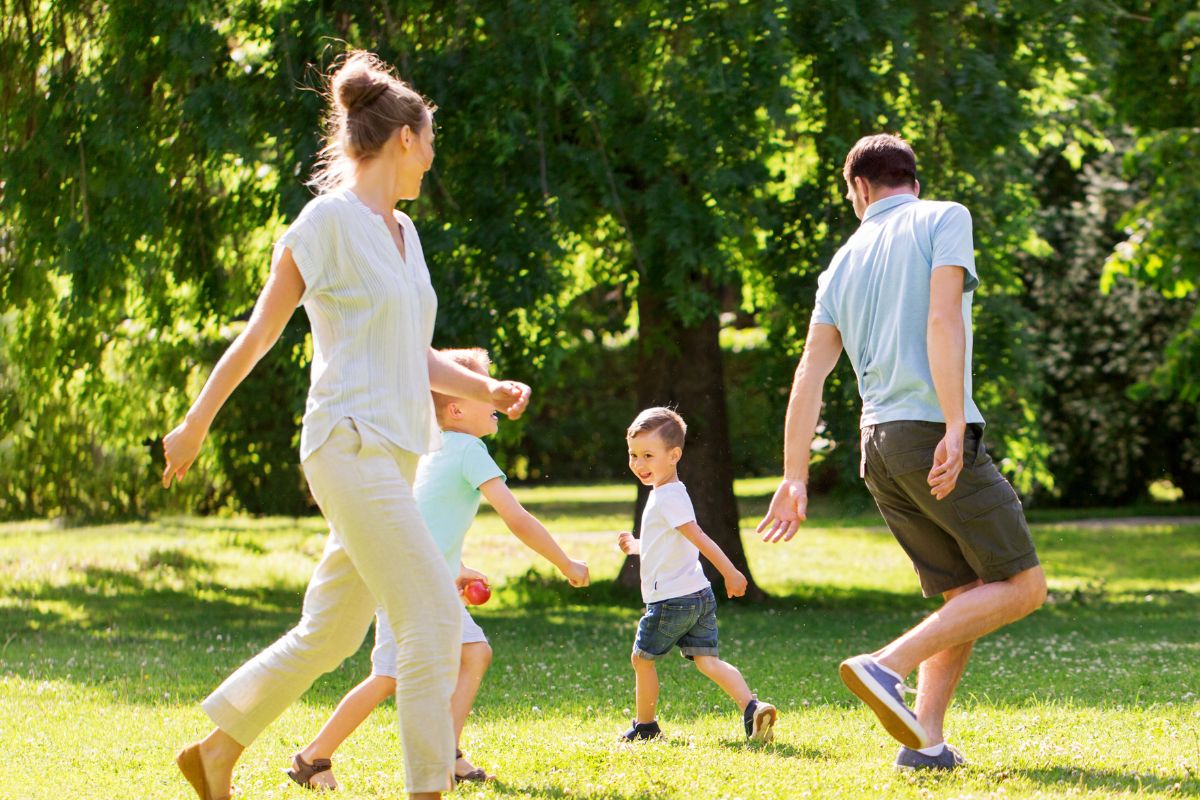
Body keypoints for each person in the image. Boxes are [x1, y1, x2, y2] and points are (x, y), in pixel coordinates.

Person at [162, 52, 532, 800]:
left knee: (332, 633)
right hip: (346, 444)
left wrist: (482, 386)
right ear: (403, 139)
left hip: (392, 456)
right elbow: (260, 333)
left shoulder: (406, 235)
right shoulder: (326, 222)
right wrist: (196, 421)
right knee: (430, 619)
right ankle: (429, 787)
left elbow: (412, 351)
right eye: (429, 141)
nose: (431, 157)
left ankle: (214, 751)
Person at [757, 133, 1047, 770]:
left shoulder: (841, 261)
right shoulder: (945, 217)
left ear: (860, 188)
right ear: (910, 178)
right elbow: (944, 320)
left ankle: (926, 743)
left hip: (877, 446)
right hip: (929, 431)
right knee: (1024, 586)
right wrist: (952, 425)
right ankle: (884, 667)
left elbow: (810, 372)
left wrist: (793, 475)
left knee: (964, 591)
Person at [288, 347, 591, 790]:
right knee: (389, 676)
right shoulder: (469, 449)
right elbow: (516, 517)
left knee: (474, 652)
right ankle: (313, 757)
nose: (494, 400)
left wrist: (457, 567)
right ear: (455, 407)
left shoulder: (429, 450)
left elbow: (427, 520)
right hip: (405, 583)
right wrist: (565, 561)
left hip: (416, 576)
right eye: (483, 389)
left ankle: (445, 752)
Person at [617, 407, 778, 743]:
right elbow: (666, 541)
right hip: (699, 596)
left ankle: (645, 727)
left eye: (648, 455)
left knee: (641, 660)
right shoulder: (668, 493)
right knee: (707, 661)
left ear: (674, 455)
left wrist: (731, 572)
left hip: (671, 599)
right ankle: (752, 707)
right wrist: (636, 546)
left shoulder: (667, 496)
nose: (638, 463)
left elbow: (698, 537)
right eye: (633, 454)